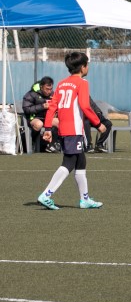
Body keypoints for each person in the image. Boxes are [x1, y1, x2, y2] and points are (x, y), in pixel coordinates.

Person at [36, 52, 107, 210]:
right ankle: (46, 194)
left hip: (64, 129)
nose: (88, 67)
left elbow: (52, 107)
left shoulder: (61, 84)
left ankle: (85, 199)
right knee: (69, 163)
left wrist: (48, 128)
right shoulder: (82, 83)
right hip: (74, 130)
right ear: (82, 67)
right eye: (87, 64)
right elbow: (85, 106)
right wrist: (97, 123)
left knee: (81, 161)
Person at [22, 76, 60, 152]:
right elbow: (26, 109)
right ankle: (32, 142)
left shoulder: (53, 95)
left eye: (50, 89)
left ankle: (52, 144)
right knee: (39, 124)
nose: (49, 91)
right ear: (41, 87)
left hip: (48, 118)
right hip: (34, 118)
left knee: (59, 122)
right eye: (47, 89)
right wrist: (42, 106)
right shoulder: (31, 94)